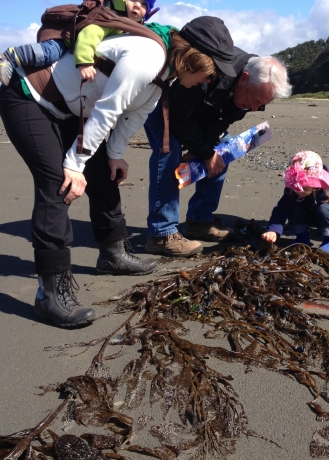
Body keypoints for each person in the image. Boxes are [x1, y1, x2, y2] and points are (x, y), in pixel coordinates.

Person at [0, 17, 221, 328]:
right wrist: (74, 167)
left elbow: (134, 116)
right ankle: (50, 292)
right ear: (193, 60)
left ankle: (113, 253)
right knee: (58, 185)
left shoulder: (164, 77)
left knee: (104, 174)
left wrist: (115, 155)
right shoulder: (147, 58)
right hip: (30, 98)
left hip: (70, 111)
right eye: (206, 75)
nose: (204, 82)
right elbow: (108, 110)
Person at [143, 18, 292, 257]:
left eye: (261, 105)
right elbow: (178, 118)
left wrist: (206, 150)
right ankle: (161, 234)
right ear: (243, 78)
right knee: (168, 150)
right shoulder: (210, 70)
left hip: (199, 113)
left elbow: (223, 121)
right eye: (255, 100)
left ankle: (199, 221)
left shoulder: (252, 87)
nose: (254, 108)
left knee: (223, 149)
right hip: (165, 104)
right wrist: (203, 152)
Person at [0, 0, 162, 85]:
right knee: (50, 52)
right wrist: (84, 62)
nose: (136, 6)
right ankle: (11, 57)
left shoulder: (126, 24)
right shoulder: (108, 14)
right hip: (66, 37)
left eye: (143, 4)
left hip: (77, 40)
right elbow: (90, 34)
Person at [261, 151, 329, 253]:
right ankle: (302, 237)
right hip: (306, 215)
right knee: (294, 208)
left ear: (315, 184)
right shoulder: (292, 192)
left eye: (304, 189)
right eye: (296, 188)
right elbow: (280, 211)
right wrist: (273, 230)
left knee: (323, 208)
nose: (299, 191)